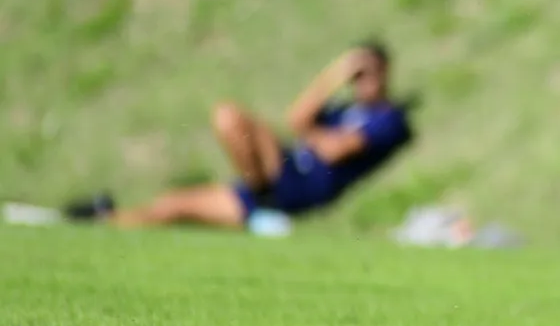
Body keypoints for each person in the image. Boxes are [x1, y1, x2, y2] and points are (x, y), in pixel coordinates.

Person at [70, 43, 412, 229]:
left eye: (369, 74)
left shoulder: (389, 119)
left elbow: (334, 151)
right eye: (358, 76)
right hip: (274, 184)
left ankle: (264, 204)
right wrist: (334, 75)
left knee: (229, 117)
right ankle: (102, 221)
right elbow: (296, 118)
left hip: (301, 185)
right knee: (173, 206)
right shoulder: (343, 110)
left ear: (385, 74)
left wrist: (312, 134)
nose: (363, 82)